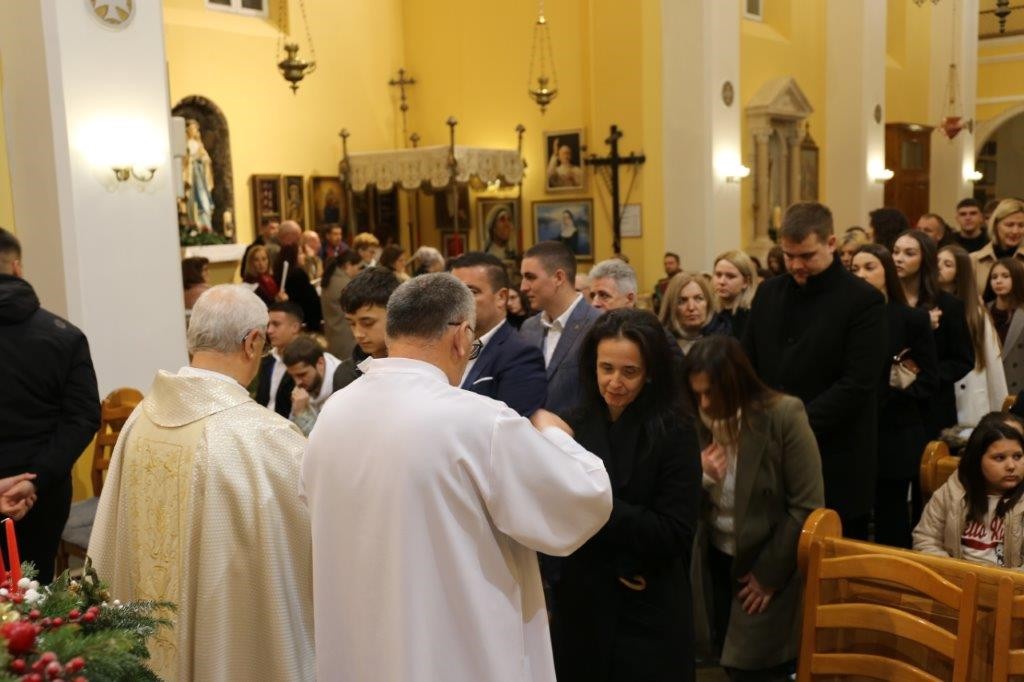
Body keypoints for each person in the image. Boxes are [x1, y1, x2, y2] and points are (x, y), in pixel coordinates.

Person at [302, 272, 612, 682]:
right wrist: (554, 433)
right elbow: (583, 499)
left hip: (362, 647)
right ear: (462, 337)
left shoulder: (334, 412)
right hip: (453, 651)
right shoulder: (476, 420)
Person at [89, 285, 313, 681]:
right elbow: (309, 545)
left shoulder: (141, 418)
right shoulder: (264, 437)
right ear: (252, 342)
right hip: (220, 643)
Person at [552, 309, 700, 682]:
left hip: (647, 611)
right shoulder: (574, 423)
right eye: (606, 368)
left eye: (629, 372)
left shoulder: (675, 430)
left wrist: (593, 504)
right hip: (583, 608)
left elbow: (675, 531)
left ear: (650, 373)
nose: (614, 382)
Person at [743, 202, 888, 540]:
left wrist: (792, 426)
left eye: (807, 255)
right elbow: (747, 363)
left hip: (835, 452)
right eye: (789, 255)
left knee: (833, 554)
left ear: (831, 243)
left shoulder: (863, 300)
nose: (796, 265)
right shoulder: (769, 293)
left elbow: (857, 383)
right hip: (770, 452)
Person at [685, 336, 824, 680]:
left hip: (767, 562)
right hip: (715, 562)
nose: (704, 403)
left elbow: (807, 506)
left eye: (711, 393)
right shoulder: (693, 421)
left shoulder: (783, 415)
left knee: (757, 667)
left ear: (735, 385)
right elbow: (677, 499)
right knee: (725, 661)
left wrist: (768, 576)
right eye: (697, 394)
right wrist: (700, 477)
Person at [0, 227, 99, 583]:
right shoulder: (64, 336)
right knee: (36, 596)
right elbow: (83, 417)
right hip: (42, 496)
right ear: (17, 267)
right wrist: (35, 479)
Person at [851, 244, 938, 548]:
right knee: (854, 513)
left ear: (887, 272)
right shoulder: (846, 317)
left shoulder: (911, 319)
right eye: (855, 269)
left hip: (896, 428)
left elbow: (929, 379)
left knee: (892, 513)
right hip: (855, 429)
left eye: (869, 267)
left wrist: (897, 388)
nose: (861, 275)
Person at [893, 230, 975, 438]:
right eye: (896, 251)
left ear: (926, 259)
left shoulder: (949, 304)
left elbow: (963, 360)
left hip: (932, 403)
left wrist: (925, 377)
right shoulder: (885, 301)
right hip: (891, 400)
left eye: (909, 253)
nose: (898, 258)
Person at [914, 419, 1024, 567]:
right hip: (954, 577)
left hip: (1010, 580)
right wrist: (955, 572)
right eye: (999, 458)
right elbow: (926, 539)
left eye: (1017, 456)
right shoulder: (952, 491)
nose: (1011, 466)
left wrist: (1006, 579)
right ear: (977, 460)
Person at [451, 252, 547, 417]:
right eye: (453, 292)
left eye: (471, 291)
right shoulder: (444, 345)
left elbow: (511, 427)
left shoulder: (521, 355)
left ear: (501, 297)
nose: (458, 301)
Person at [519, 241, 602, 416]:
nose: (523, 287)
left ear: (558, 277)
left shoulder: (598, 325)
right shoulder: (528, 328)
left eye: (530, 277)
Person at [938, 244, 1007, 424]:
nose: (939, 267)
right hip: (940, 395)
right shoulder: (926, 308)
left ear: (960, 273)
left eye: (947, 264)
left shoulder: (974, 313)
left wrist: (1000, 413)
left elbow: (993, 364)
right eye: (937, 262)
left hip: (971, 395)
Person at [335, 267, 401, 390]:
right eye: (351, 323)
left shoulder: (418, 368)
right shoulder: (346, 374)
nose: (357, 334)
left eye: (367, 323)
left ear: (395, 315)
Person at [283, 334, 341, 436]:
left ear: (320, 363)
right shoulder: (305, 384)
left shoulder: (343, 384)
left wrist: (301, 414)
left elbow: (328, 439)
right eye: (293, 376)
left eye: (302, 375)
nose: (297, 383)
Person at [659, 272, 730, 355]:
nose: (691, 307)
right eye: (682, 301)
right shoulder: (661, 343)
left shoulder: (724, 339)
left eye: (698, 298)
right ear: (671, 307)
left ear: (708, 303)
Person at [254, 301, 304, 418]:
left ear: (295, 327)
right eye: (268, 325)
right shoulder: (267, 359)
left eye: (276, 324)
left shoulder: (308, 361)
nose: (269, 330)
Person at [971, 198, 1024, 299]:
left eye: (1021, 225)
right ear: (995, 225)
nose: (1015, 231)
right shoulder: (973, 261)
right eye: (1009, 225)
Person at [987, 257, 1024, 396]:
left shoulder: (1021, 313)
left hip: (1017, 387)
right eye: (994, 277)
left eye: (1005, 276)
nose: (998, 281)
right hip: (990, 385)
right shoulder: (983, 311)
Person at [320, 249, 362, 361]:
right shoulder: (345, 283)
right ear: (348, 265)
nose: (359, 272)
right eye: (358, 267)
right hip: (346, 335)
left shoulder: (331, 278)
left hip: (333, 333)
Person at [274, 243, 322, 332]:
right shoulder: (297, 274)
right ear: (292, 256)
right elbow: (310, 301)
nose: (304, 256)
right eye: (300, 253)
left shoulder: (280, 273)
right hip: (304, 322)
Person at [711, 250, 757, 339]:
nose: (722, 282)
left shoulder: (752, 318)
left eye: (730, 276)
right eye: (718, 275)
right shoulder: (710, 313)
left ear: (746, 282)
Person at [182, 118, 214, 232]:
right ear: (187, 130)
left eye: (196, 129)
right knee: (191, 198)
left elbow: (206, 158)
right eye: (192, 128)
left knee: (203, 197)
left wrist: (203, 159)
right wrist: (191, 159)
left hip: (200, 175)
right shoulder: (185, 144)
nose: (194, 131)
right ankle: (193, 223)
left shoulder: (199, 145)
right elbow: (183, 161)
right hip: (190, 175)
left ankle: (205, 223)